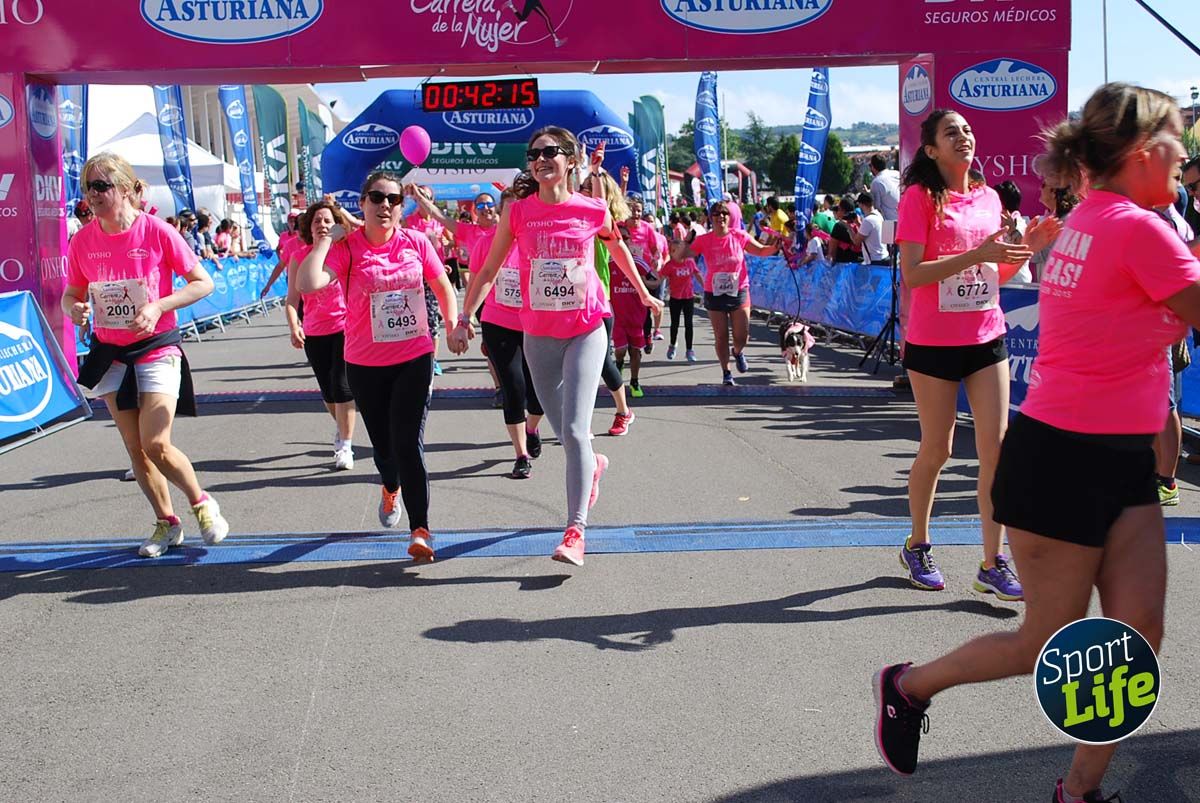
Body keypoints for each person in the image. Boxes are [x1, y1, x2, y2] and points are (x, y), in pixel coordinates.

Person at [876, 82, 1198, 803]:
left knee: (1136, 633)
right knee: (1041, 643)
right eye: (1178, 141)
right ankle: (908, 685)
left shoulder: (1101, 216)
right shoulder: (1127, 226)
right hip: (1060, 456)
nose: (1187, 155)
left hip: (1120, 458)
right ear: (1143, 153)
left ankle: (1076, 792)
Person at [449, 128, 662, 566]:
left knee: (576, 431)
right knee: (566, 433)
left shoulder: (592, 208)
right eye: (534, 154)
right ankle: (594, 464)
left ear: (571, 159)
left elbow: (617, 248)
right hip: (539, 333)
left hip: (586, 326)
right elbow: (488, 268)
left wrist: (642, 294)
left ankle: (575, 531)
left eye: (550, 152)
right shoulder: (519, 213)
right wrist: (464, 315)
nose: (541, 159)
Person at [892, 109, 1060, 597]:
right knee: (939, 449)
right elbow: (915, 274)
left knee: (998, 450)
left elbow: (993, 279)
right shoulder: (919, 198)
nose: (963, 137)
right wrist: (978, 255)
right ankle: (918, 543)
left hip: (987, 337)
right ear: (931, 150)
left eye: (966, 130)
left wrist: (1024, 247)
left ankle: (992, 562)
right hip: (933, 343)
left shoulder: (988, 198)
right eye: (951, 133)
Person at [63, 153, 229, 558]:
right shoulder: (82, 241)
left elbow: (202, 282)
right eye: (88, 188)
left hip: (155, 347)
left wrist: (158, 306)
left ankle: (202, 503)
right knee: (134, 448)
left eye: (101, 186)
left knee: (156, 443)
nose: (93, 195)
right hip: (110, 353)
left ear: (124, 188)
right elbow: (71, 294)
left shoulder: (156, 231)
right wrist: (76, 309)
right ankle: (166, 523)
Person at [297, 171, 459, 563]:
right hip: (365, 363)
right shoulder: (349, 248)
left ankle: (420, 529)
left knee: (408, 445)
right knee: (385, 449)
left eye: (392, 199)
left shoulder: (417, 242)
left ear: (401, 208)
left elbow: (442, 288)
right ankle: (390, 486)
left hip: (415, 357)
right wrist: (323, 241)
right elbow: (308, 282)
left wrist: (454, 325)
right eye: (376, 197)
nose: (385, 205)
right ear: (363, 204)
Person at [411, 186, 546, 479]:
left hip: (535, 323)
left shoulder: (537, 240)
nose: (512, 213)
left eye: (517, 208)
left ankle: (533, 427)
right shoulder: (487, 242)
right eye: (507, 208)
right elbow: (478, 280)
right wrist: (465, 318)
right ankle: (521, 454)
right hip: (498, 321)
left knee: (538, 394)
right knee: (513, 387)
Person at [671, 200, 781, 386]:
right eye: (716, 214)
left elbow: (760, 250)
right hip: (714, 293)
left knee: (742, 335)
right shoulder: (704, 240)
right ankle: (726, 372)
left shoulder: (739, 236)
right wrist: (687, 239)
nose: (721, 217)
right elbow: (679, 256)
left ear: (729, 217)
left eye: (724, 214)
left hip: (738, 290)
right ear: (711, 218)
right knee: (721, 336)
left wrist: (775, 248)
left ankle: (737, 352)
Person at [285, 201, 359, 471]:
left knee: (342, 387)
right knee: (328, 393)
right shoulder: (298, 256)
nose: (322, 225)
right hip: (315, 332)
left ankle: (346, 446)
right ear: (309, 227)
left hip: (345, 327)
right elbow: (292, 299)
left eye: (328, 221)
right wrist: (295, 325)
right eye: (317, 221)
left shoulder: (345, 251)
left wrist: (345, 223)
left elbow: (366, 230)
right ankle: (342, 430)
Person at [581, 170, 640, 436]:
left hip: (598, 301)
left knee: (602, 362)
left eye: (589, 188)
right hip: (569, 301)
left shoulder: (602, 222)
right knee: (574, 366)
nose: (583, 191)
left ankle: (623, 411)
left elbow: (601, 205)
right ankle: (579, 423)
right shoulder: (572, 216)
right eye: (581, 186)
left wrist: (598, 175)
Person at [662, 228, 701, 361]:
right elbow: (658, 279)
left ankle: (689, 350)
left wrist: (707, 288)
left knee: (689, 324)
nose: (673, 253)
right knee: (675, 324)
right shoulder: (669, 265)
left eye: (676, 250)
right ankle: (672, 345)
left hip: (688, 297)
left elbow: (698, 274)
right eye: (671, 250)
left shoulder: (690, 262)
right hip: (675, 298)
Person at [852, 192, 890, 266]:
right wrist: (858, 223)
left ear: (862, 204)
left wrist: (848, 227)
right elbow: (870, 233)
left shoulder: (868, 220)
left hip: (875, 261)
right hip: (884, 256)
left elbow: (856, 241)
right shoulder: (878, 215)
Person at [828, 197, 863, 265]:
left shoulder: (839, 226)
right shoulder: (859, 222)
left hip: (844, 265)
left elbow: (832, 251)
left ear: (842, 211)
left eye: (838, 209)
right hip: (860, 263)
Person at [869, 153, 901, 222]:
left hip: (890, 222)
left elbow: (876, 207)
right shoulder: (897, 174)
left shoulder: (876, 182)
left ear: (873, 167)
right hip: (904, 217)